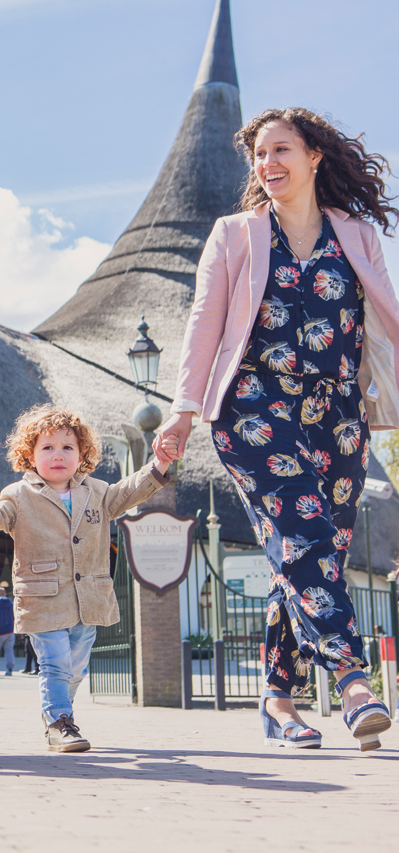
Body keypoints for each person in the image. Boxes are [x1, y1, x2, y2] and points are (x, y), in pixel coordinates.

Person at [157, 108, 398, 752]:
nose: (268, 164)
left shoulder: (356, 234)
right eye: (259, 155)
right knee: (303, 532)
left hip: (338, 414)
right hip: (253, 406)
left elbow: (381, 321)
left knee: (311, 554)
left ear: (314, 156)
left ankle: (277, 700)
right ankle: (354, 682)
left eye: (281, 149)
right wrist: (183, 409)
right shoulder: (235, 234)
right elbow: (205, 322)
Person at [0, 407, 173, 752]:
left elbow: (130, 491)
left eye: (68, 447)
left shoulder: (97, 491)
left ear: (82, 455)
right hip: (42, 597)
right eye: (47, 447)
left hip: (88, 598)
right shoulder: (18, 494)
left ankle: (58, 707)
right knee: (55, 661)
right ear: (29, 455)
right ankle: (60, 722)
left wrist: (160, 466)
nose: (58, 455)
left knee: (75, 666)